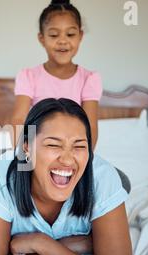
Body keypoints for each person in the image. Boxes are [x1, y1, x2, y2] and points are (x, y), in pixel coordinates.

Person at [0, 98, 133, 255]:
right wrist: (74, 245)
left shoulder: (103, 178)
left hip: (94, 177)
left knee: (117, 182)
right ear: (26, 148)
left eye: (79, 146)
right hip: (11, 165)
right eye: (53, 144)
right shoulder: (0, 179)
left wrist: (43, 244)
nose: (68, 159)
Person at [11, 0, 101, 148]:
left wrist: (84, 158)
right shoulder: (29, 76)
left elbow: (90, 127)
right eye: (54, 35)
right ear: (42, 39)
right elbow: (18, 120)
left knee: (112, 172)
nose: (63, 41)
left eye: (70, 34)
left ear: (80, 36)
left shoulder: (89, 79)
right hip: (38, 149)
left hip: (73, 151)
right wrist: (24, 156)